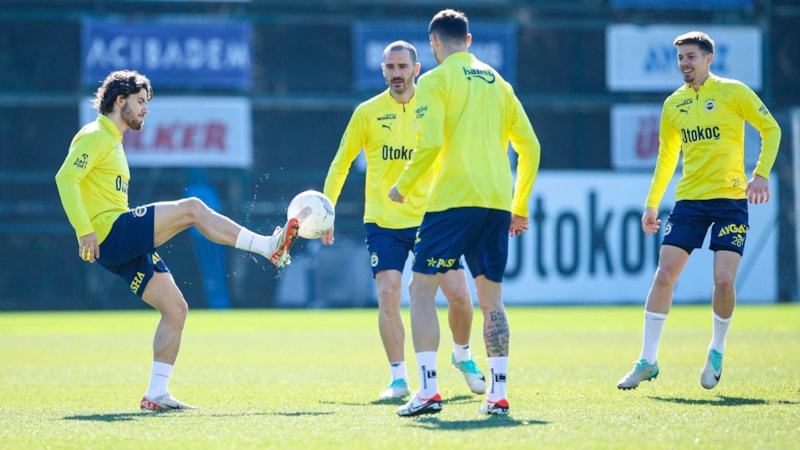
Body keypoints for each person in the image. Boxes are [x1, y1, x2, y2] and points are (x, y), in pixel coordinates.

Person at [54, 70, 302, 411]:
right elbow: (66, 178)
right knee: (194, 208)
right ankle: (265, 247)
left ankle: (156, 394)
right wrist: (84, 229)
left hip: (115, 244)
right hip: (110, 232)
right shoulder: (97, 134)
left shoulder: (113, 139)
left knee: (175, 309)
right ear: (120, 100)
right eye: (140, 102)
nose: (145, 110)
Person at [389, 9, 541, 416]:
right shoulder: (500, 83)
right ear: (469, 40)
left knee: (420, 291)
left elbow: (432, 141)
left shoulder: (435, 80)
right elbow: (531, 147)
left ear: (434, 43)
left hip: (452, 203)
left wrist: (402, 186)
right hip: (495, 203)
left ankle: (428, 390)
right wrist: (519, 205)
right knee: (492, 300)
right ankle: (498, 395)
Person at [616, 31, 781, 391]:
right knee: (664, 274)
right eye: (680, 58)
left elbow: (771, 128)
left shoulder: (733, 92)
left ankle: (717, 349)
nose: (684, 64)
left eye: (691, 57)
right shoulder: (673, 104)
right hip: (689, 202)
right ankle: (647, 360)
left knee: (723, 279)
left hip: (730, 201)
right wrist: (652, 202)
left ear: (709, 58)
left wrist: (761, 174)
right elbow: (666, 157)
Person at [322, 41, 486, 400]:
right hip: (383, 221)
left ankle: (463, 356)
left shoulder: (435, 109)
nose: (396, 73)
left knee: (459, 296)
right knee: (388, 293)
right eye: (389, 67)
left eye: (402, 67)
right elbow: (341, 163)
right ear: (383, 71)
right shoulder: (367, 113)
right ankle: (398, 379)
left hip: (432, 219)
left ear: (416, 70)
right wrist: (327, 209)